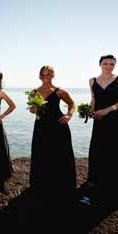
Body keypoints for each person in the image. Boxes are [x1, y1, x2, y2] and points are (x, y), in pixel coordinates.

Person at [82, 54, 118, 205]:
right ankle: (98, 180)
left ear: (115, 65)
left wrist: (108, 110)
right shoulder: (92, 81)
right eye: (105, 63)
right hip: (101, 120)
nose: (108, 66)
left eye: (111, 64)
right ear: (100, 64)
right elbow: (94, 99)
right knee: (100, 148)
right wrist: (90, 111)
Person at [28, 65, 77, 202]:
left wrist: (68, 116)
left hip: (58, 126)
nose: (45, 77)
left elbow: (72, 104)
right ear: (40, 76)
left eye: (48, 75)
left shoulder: (60, 91)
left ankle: (61, 185)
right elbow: (32, 110)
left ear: (52, 75)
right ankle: (41, 184)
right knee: (41, 153)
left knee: (60, 154)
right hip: (41, 127)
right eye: (43, 75)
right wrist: (34, 108)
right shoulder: (34, 92)